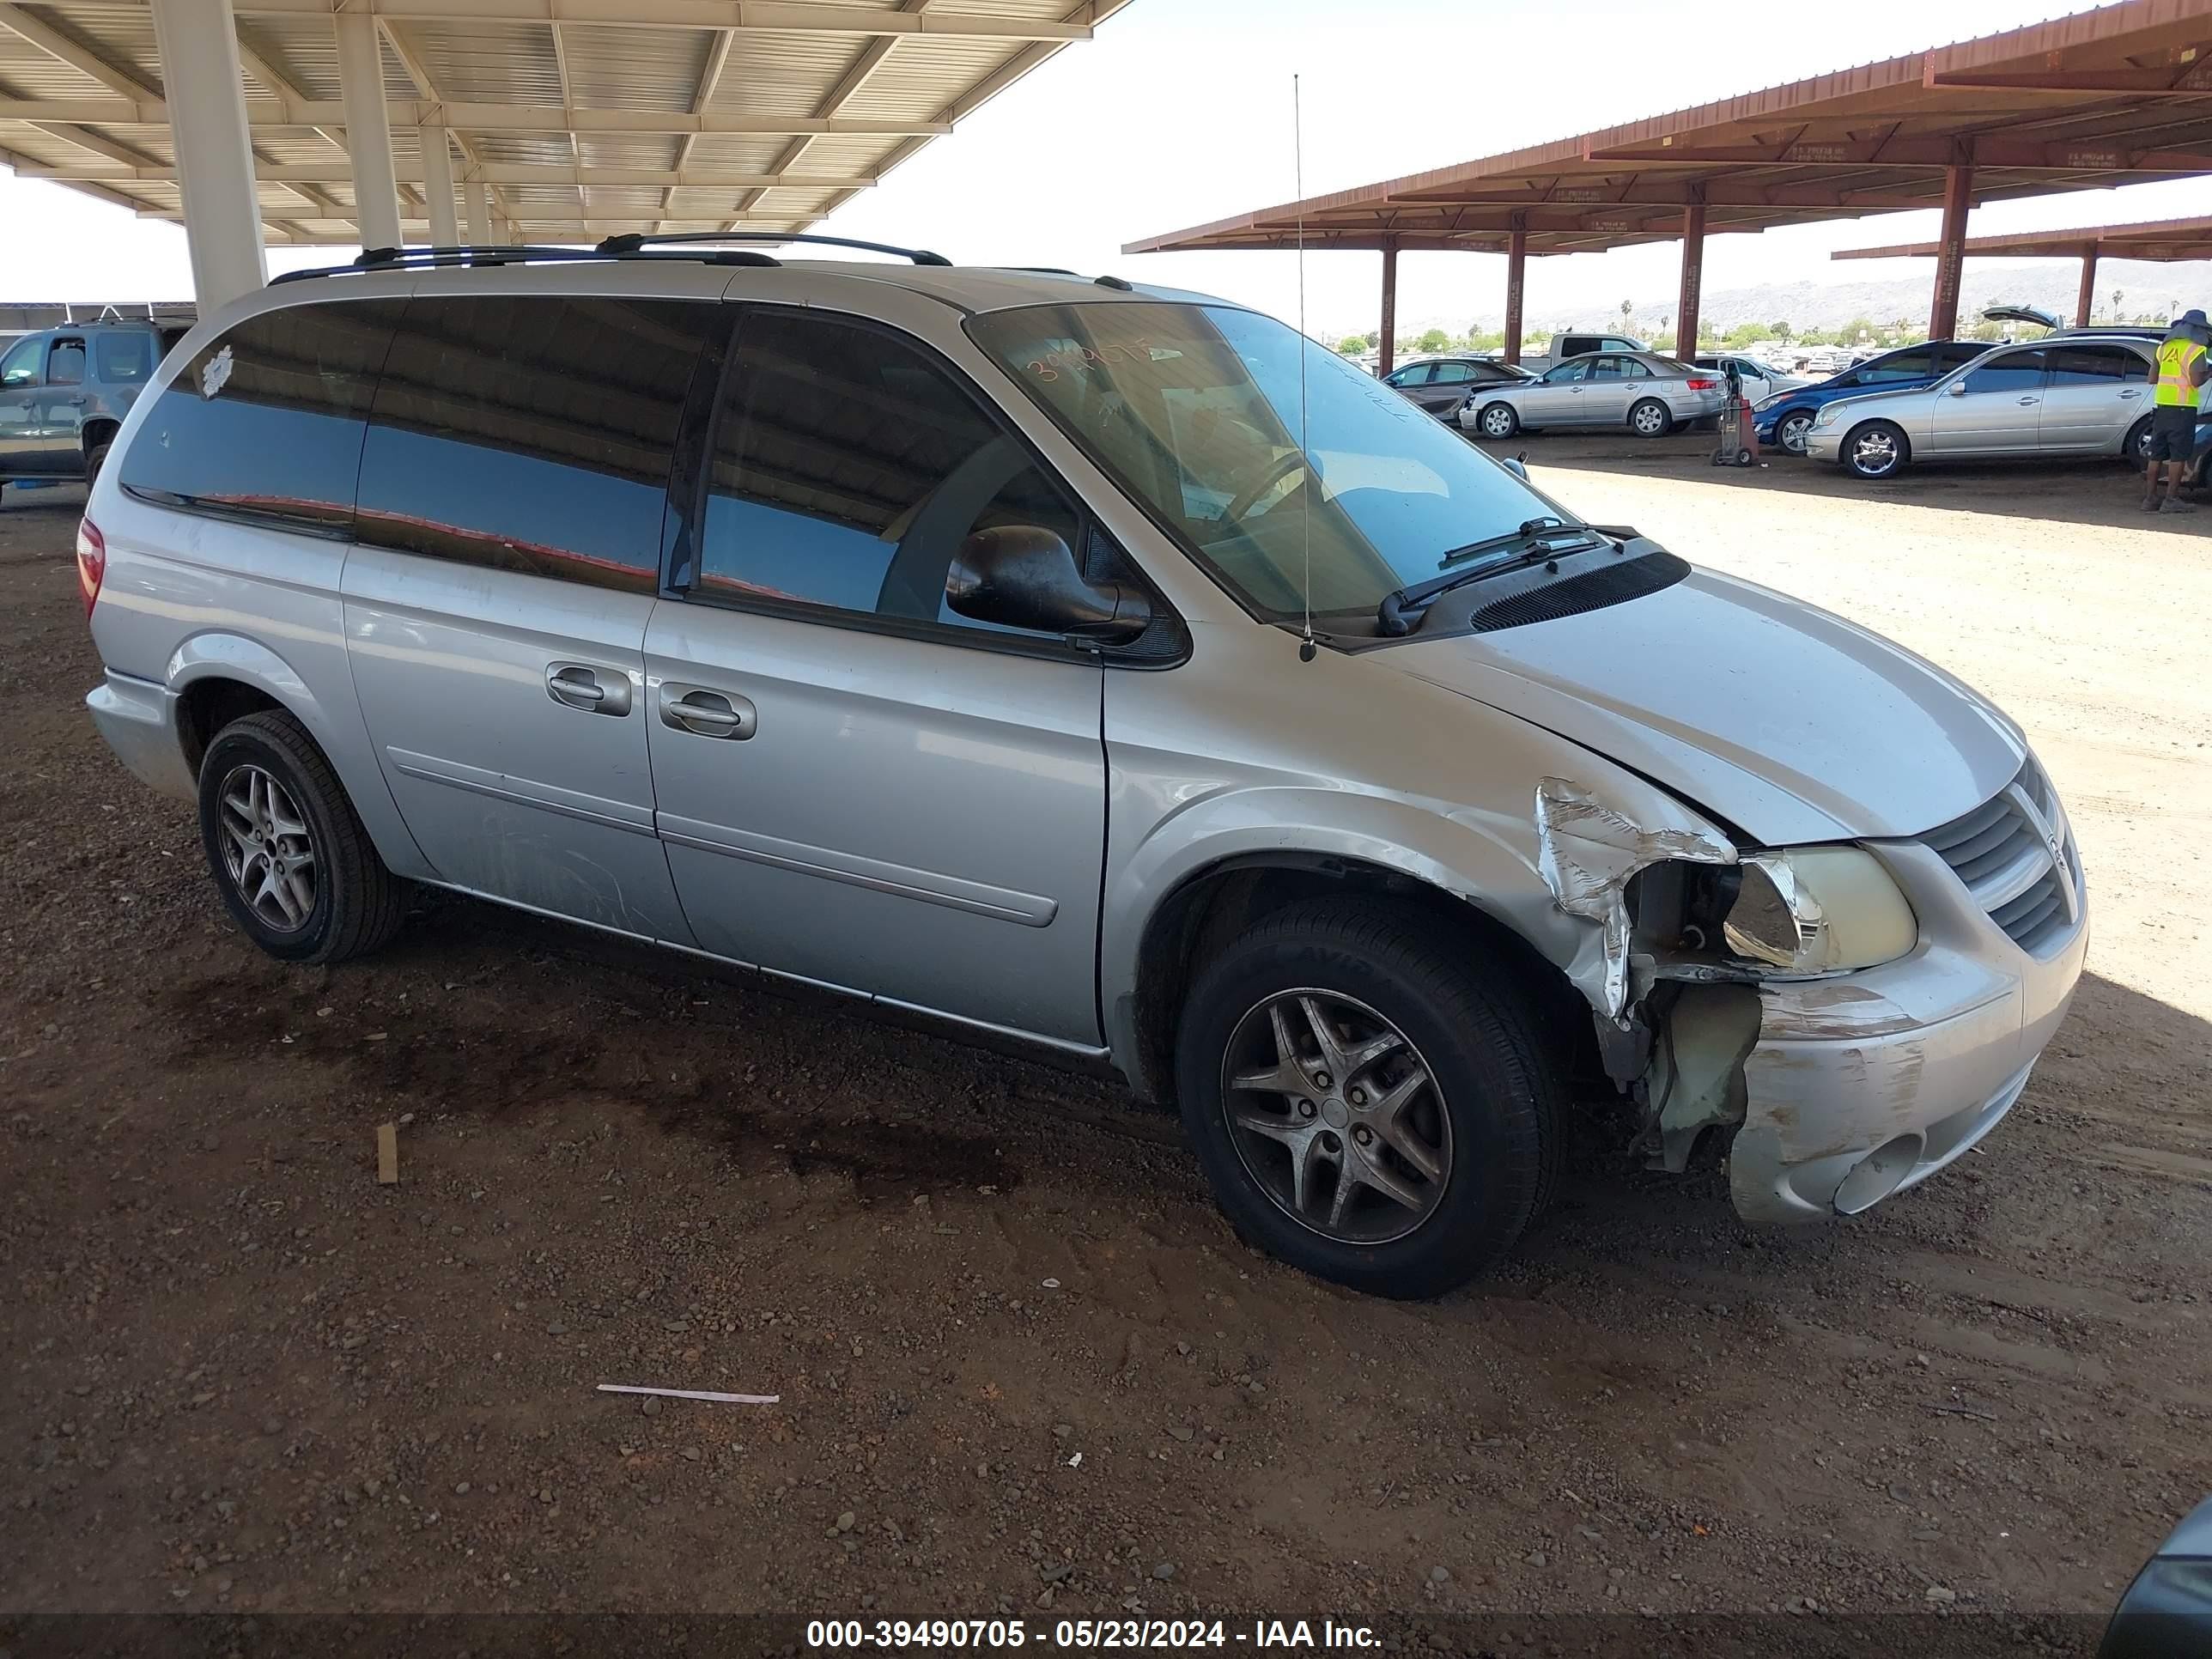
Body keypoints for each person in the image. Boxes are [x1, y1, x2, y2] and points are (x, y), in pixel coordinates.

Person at [2145, 308, 2210, 513]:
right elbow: (2196, 380)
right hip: (2183, 409)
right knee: (2179, 456)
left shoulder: (2163, 348)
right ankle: (2171, 499)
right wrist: (2209, 373)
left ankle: (2150, 499)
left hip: (2162, 407)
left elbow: (2152, 378)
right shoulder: (2195, 350)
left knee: (2156, 455)